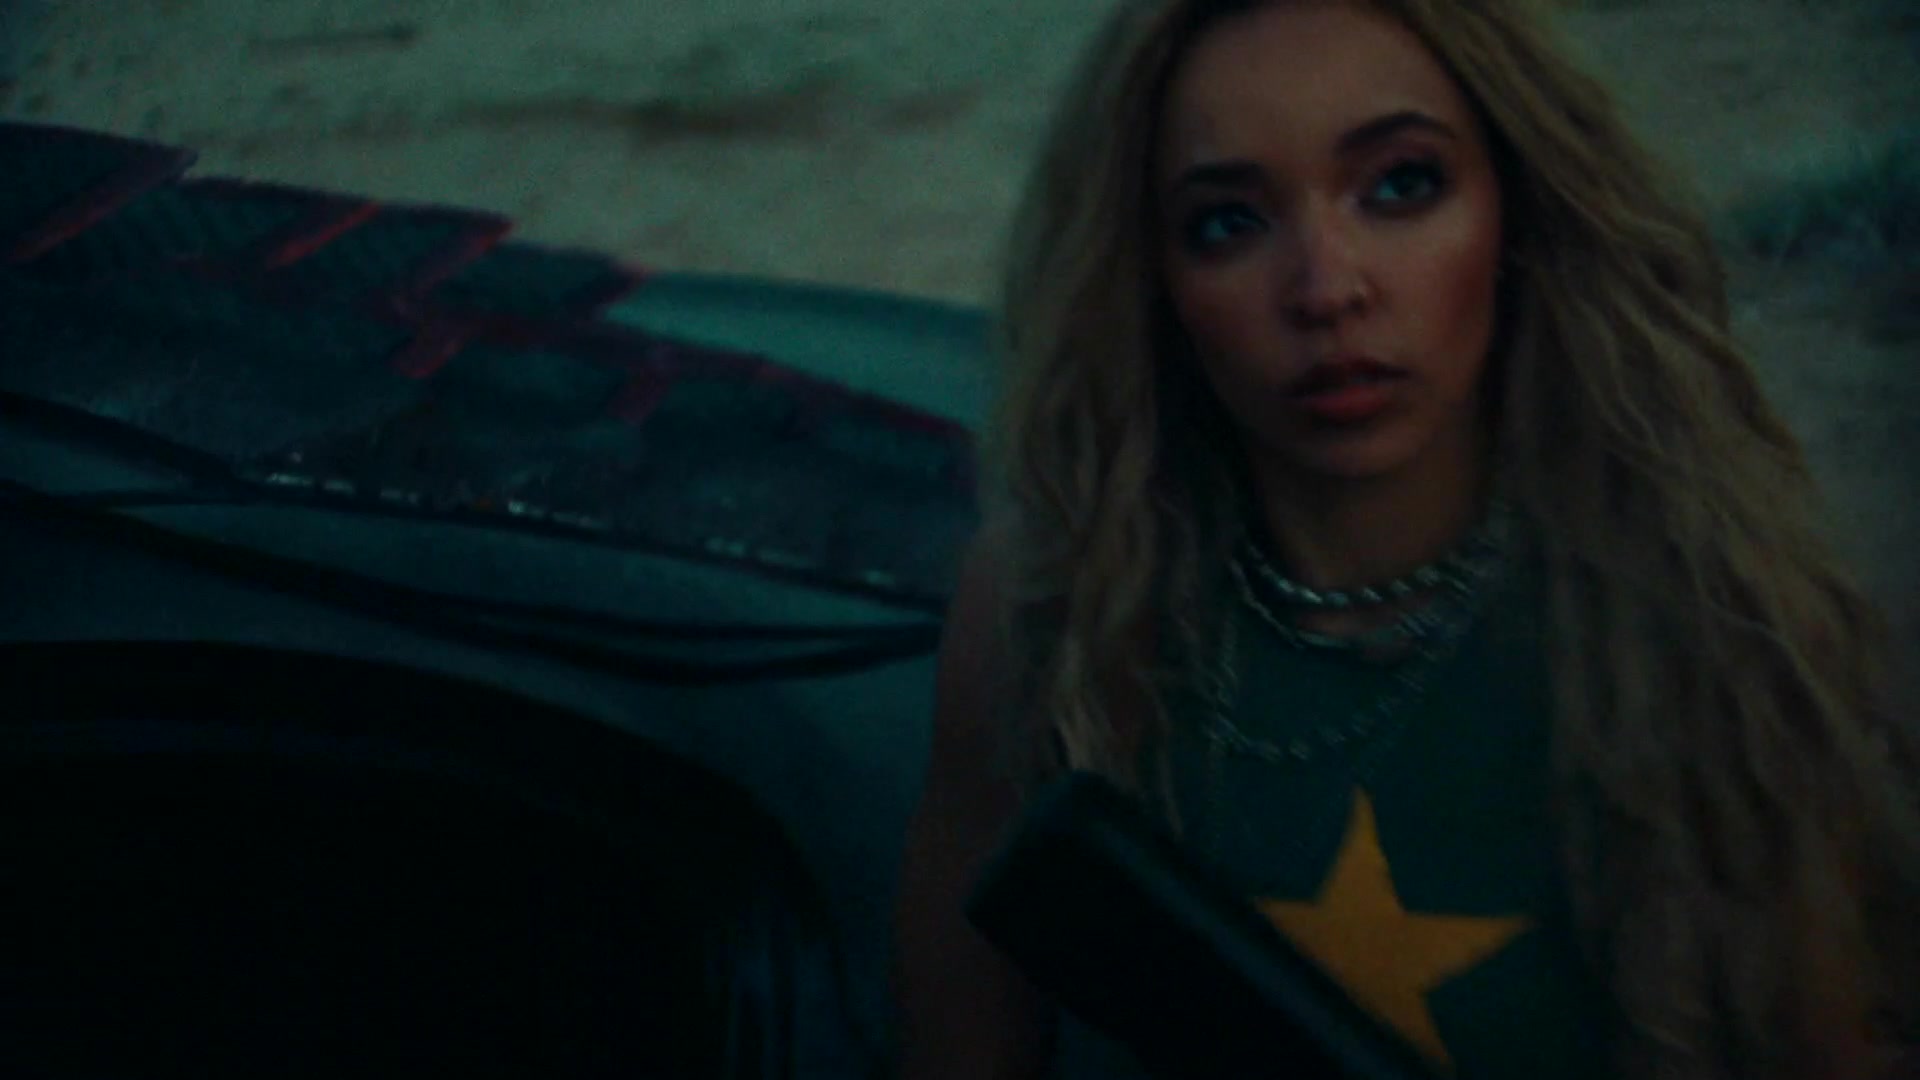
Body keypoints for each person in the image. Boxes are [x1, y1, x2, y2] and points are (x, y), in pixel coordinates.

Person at [890, 0, 1920, 1077]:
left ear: (1517, 207)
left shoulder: (1700, 599)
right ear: (1149, 279)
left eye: (1401, 185)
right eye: (1227, 223)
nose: (1328, 289)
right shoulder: (1050, 610)